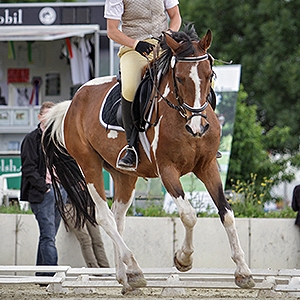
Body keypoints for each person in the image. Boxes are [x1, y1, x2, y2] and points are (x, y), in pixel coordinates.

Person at [104, 0, 182, 170]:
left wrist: (169, 34)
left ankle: (206, 134)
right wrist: (135, 44)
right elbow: (112, 31)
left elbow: (176, 16)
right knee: (130, 88)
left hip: (164, 46)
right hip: (134, 49)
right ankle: (132, 147)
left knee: (197, 74)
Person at [20, 101, 67, 276]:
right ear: (40, 117)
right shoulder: (31, 139)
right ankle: (52, 276)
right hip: (42, 194)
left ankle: (41, 275)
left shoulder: (59, 139)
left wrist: (65, 188)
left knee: (48, 237)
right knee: (48, 236)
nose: (50, 119)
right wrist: (45, 187)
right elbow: (28, 169)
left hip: (60, 192)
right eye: (47, 115)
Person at [64, 198, 110, 268]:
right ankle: (95, 271)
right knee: (85, 240)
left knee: (97, 240)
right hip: (70, 206)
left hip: (88, 205)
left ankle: (106, 269)